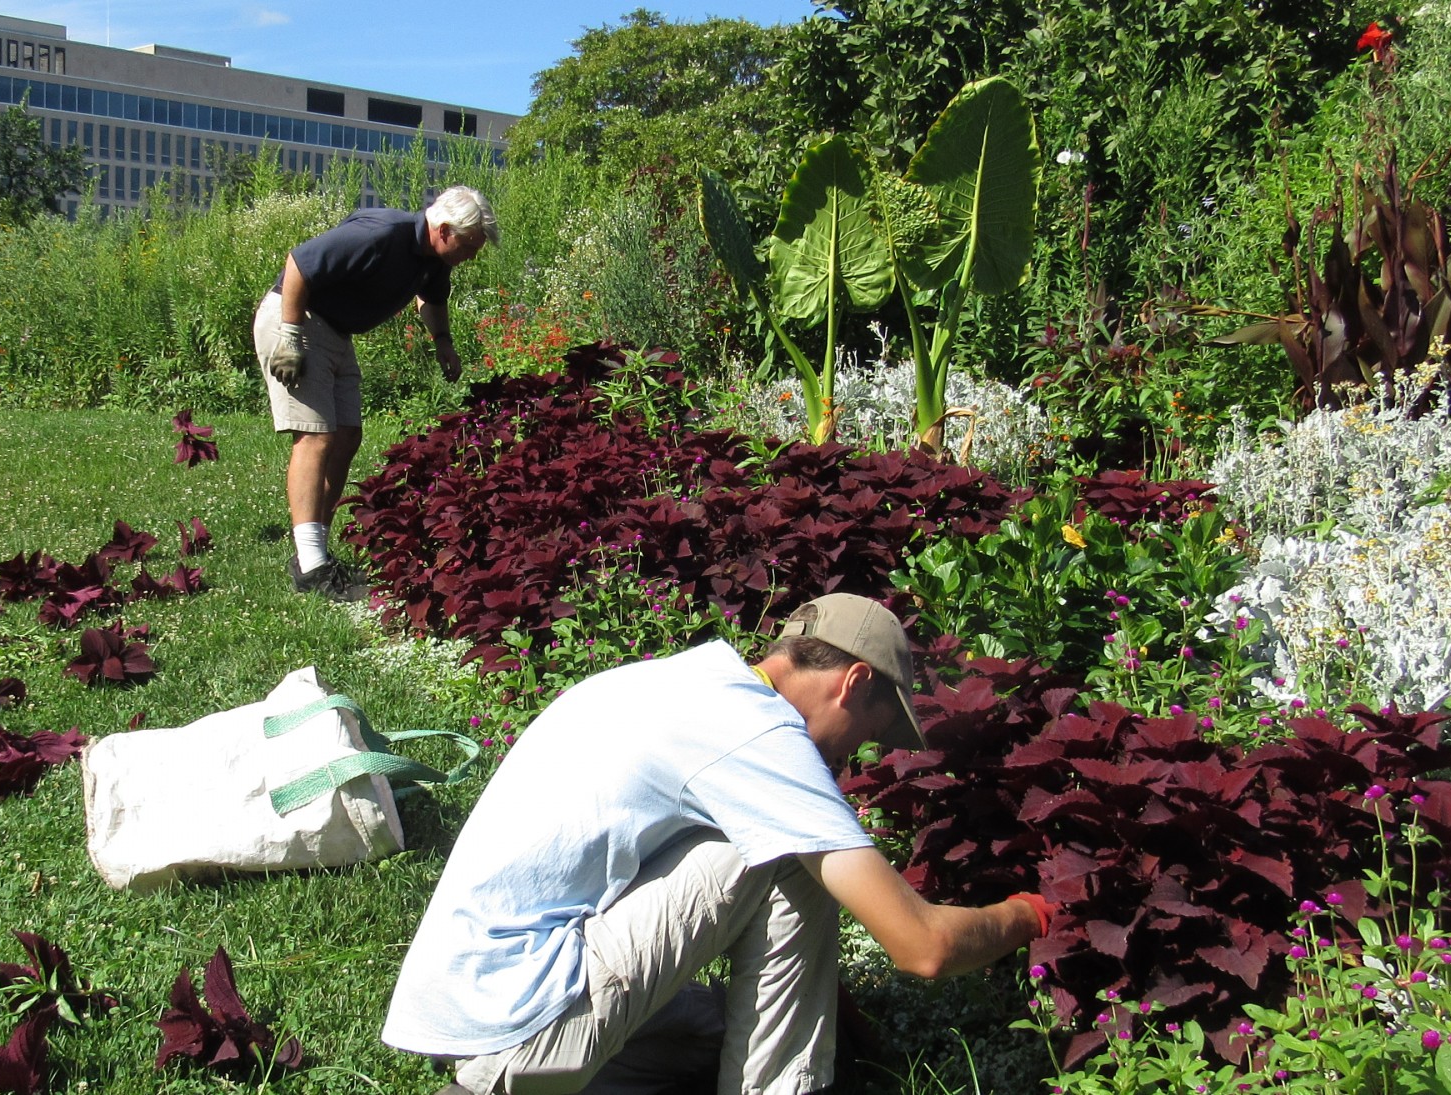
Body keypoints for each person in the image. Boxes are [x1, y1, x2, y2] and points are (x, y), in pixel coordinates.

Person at [383, 593, 1054, 1095]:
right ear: (854, 683)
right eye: (868, 734)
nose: (854, 758)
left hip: (460, 1002)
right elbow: (925, 946)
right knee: (794, 855)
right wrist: (1035, 912)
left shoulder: (683, 683)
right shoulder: (759, 734)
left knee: (713, 1030)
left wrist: (829, 1007)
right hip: (518, 1023)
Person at [254, 185, 496, 598]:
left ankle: (315, 553)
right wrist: (290, 336)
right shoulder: (382, 234)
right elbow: (299, 263)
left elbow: (431, 300)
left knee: (347, 437)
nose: (472, 255)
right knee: (315, 437)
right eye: (470, 245)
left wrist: (444, 343)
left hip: (336, 332)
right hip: (298, 319)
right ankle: (312, 568)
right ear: (443, 230)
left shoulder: (433, 260)